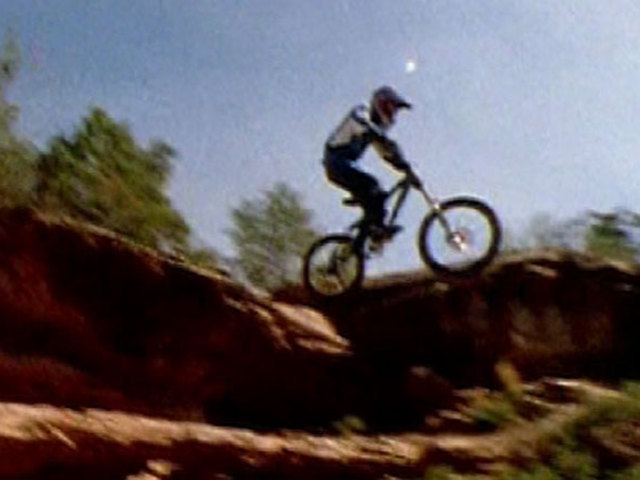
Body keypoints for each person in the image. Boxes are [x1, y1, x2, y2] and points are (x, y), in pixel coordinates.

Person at [322, 86, 420, 240]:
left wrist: (404, 167)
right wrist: (385, 141)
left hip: (345, 166)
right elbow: (363, 124)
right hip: (336, 162)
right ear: (380, 103)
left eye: (395, 110)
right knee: (372, 184)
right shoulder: (362, 111)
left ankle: (361, 241)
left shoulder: (375, 130)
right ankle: (376, 229)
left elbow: (385, 153)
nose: (393, 113)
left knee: (378, 201)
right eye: (391, 107)